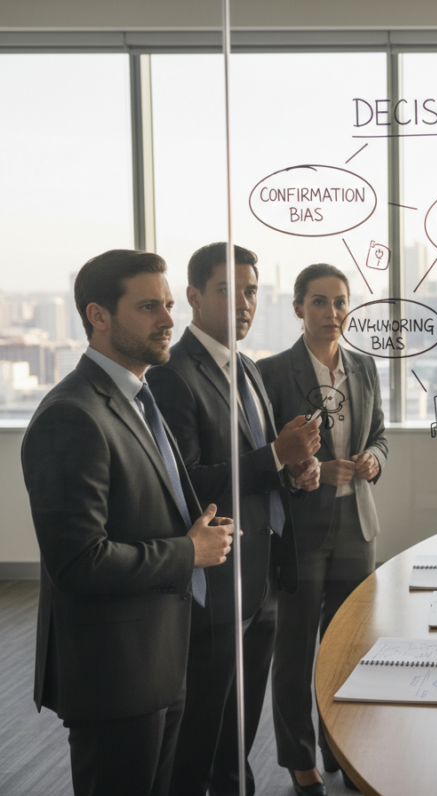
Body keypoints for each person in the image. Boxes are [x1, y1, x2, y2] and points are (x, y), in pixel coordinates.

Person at [22, 250, 235, 796]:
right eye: (148, 307)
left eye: (167, 304)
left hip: (160, 658)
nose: (168, 319)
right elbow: (78, 562)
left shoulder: (139, 396)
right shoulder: (72, 414)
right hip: (113, 676)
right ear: (97, 315)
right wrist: (189, 552)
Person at [147, 243, 321, 796]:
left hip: (262, 575)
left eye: (251, 291)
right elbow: (189, 482)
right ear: (194, 297)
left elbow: (260, 462)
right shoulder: (174, 374)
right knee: (205, 727)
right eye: (229, 290)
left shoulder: (245, 365)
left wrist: (295, 469)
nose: (244, 303)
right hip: (218, 583)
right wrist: (275, 455)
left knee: (240, 726)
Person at [258, 263, 388, 796]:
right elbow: (262, 458)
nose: (331, 313)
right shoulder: (270, 374)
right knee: (294, 651)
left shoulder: (364, 367)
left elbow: (379, 434)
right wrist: (304, 472)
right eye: (318, 302)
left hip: (357, 527)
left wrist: (373, 462)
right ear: (297, 309)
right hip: (300, 532)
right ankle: (299, 760)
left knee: (350, 648)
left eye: (339, 302)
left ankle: (341, 745)